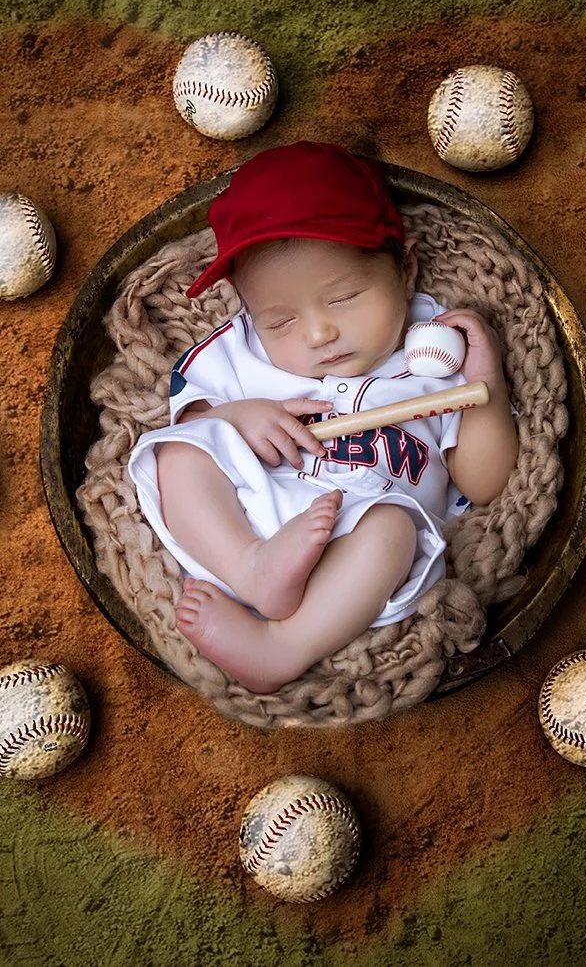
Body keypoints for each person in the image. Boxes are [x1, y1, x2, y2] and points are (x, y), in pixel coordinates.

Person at [126, 141, 519, 694]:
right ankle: (250, 570)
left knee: (396, 529)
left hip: (356, 550)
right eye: (280, 321)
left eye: (343, 299)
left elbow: (484, 483)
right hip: (248, 516)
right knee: (178, 452)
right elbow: (191, 420)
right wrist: (240, 417)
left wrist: (488, 387)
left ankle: (282, 647)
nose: (317, 334)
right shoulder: (239, 351)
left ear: (405, 271)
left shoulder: (436, 350)